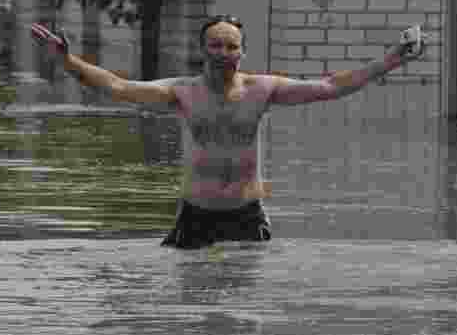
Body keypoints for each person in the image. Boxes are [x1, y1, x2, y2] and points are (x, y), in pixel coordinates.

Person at [30, 15, 426, 249]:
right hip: (195, 216)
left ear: (241, 53)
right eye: (215, 45)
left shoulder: (263, 90)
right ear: (204, 51)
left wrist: (389, 61)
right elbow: (117, 88)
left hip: (246, 216)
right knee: (189, 308)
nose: (222, 52)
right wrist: (67, 61)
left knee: (243, 307)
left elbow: (330, 87)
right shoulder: (182, 91)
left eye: (230, 46)